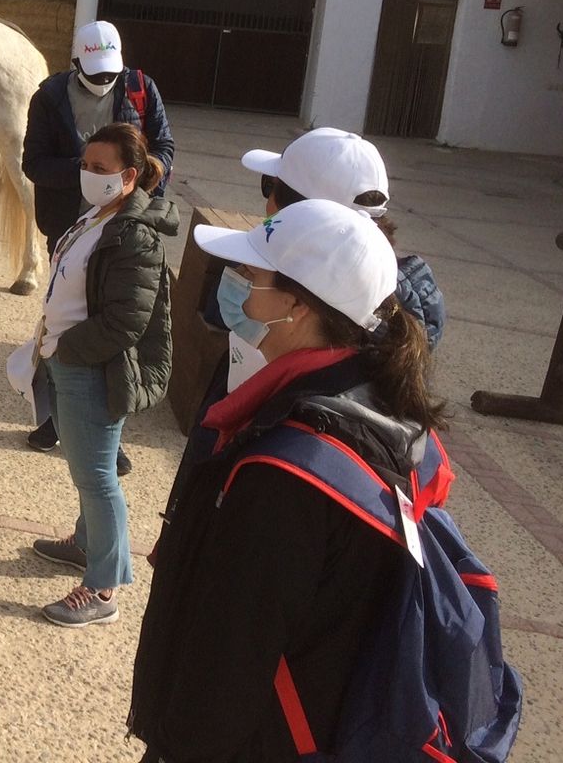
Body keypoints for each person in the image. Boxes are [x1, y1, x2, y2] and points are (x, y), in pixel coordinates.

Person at [131, 198, 444, 760]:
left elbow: (230, 661)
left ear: (296, 306)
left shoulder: (284, 476)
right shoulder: (384, 401)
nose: (239, 292)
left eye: (251, 277)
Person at [27, 123, 175, 627]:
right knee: (85, 463)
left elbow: (127, 321)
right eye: (85, 166)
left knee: (97, 476)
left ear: (129, 176)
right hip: (67, 359)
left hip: (92, 368)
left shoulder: (136, 234)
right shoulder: (99, 214)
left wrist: (66, 348)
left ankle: (103, 586)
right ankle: (86, 543)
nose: (88, 175)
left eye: (100, 169)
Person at [22, 19, 174, 468]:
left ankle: (109, 433)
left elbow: (164, 146)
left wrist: (135, 177)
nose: (106, 83)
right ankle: (56, 417)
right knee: (63, 323)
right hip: (69, 226)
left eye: (112, 75)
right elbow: (34, 162)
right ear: (77, 64)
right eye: (96, 75)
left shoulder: (142, 89)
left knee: (113, 330)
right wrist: (89, 173)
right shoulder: (50, 97)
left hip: (122, 228)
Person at [241, 127, 446, 347]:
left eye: (270, 187)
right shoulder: (384, 294)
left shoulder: (330, 310)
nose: (266, 202)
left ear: (304, 212)